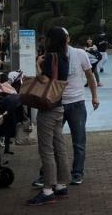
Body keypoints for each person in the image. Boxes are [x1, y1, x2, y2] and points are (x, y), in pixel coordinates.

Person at [33, 30, 99, 187]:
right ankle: (49, 176)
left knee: (77, 140)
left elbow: (89, 75)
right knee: (55, 143)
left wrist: (94, 96)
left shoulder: (79, 54)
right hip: (58, 102)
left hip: (76, 102)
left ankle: (76, 173)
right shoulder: (54, 55)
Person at [26, 27, 73, 206]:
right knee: (59, 145)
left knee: (46, 148)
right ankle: (61, 185)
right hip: (59, 105)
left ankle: (47, 189)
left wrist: (38, 64)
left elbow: (45, 80)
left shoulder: (50, 57)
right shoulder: (64, 57)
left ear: (50, 40)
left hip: (48, 107)